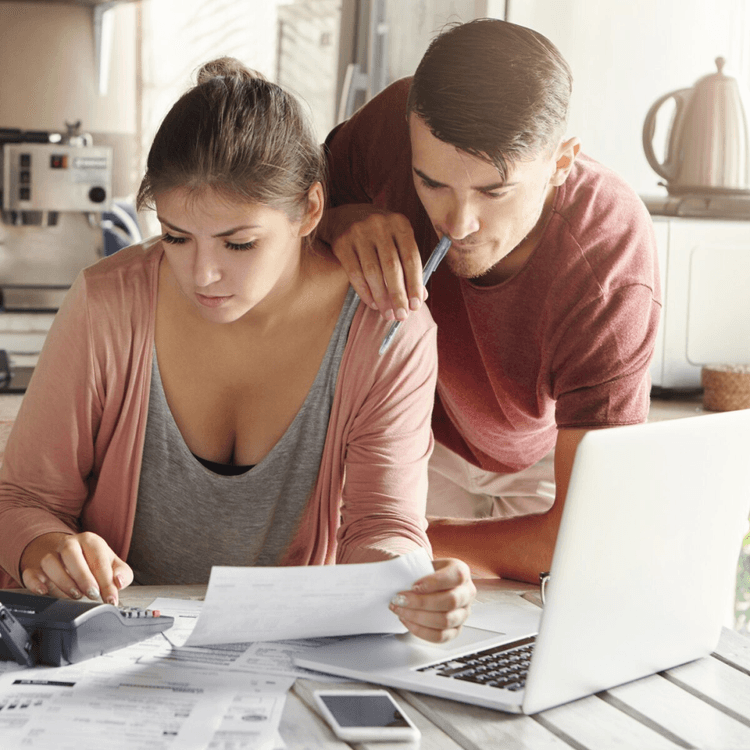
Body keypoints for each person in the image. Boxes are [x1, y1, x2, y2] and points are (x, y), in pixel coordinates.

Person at [0, 58, 475, 644]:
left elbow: (383, 523)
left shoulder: (386, 332)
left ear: (310, 211)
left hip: (286, 649)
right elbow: (23, 499)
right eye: (176, 237)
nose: (203, 274)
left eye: (240, 242)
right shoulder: (108, 303)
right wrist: (46, 547)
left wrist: (411, 586)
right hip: (108, 649)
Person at [320, 19, 661, 582]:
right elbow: (281, 220)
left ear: (560, 162)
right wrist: (337, 220)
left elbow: (583, 535)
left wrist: (407, 539)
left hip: (543, 468)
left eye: (493, 190)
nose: (456, 223)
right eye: (431, 183)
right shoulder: (391, 123)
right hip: (410, 435)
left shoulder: (610, 258)